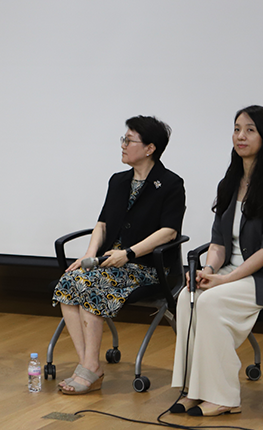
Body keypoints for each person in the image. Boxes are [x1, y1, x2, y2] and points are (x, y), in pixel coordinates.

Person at [170, 105, 263, 417]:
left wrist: (225, 280)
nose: (241, 136)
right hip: (230, 272)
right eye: (237, 129)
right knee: (187, 298)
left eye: (250, 130)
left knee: (211, 302)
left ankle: (225, 397)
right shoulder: (230, 182)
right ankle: (193, 390)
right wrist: (208, 270)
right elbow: (218, 243)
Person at [52, 116, 185, 394]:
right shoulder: (118, 181)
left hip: (146, 266)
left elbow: (169, 232)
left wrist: (129, 253)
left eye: (129, 140)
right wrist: (89, 256)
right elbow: (102, 224)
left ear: (150, 148)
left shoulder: (171, 183)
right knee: (68, 282)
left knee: (90, 285)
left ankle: (89, 369)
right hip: (108, 264)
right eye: (123, 139)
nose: (123, 145)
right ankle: (88, 365)